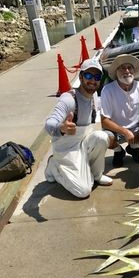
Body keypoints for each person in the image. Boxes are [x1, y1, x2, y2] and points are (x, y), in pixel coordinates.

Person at [45, 58, 114, 198]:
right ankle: (54, 165)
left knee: (102, 137)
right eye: (88, 75)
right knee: (83, 191)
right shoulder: (68, 99)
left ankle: (96, 175)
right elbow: (48, 123)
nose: (92, 80)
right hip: (66, 151)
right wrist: (61, 128)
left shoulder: (95, 96)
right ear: (81, 77)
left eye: (97, 77)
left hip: (83, 146)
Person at [101, 54, 139, 167]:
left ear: (134, 70)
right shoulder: (107, 90)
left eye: (130, 67)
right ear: (116, 72)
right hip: (116, 131)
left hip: (137, 129)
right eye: (122, 68)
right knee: (104, 137)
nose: (127, 71)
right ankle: (118, 151)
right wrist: (125, 132)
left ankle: (133, 148)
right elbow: (104, 120)